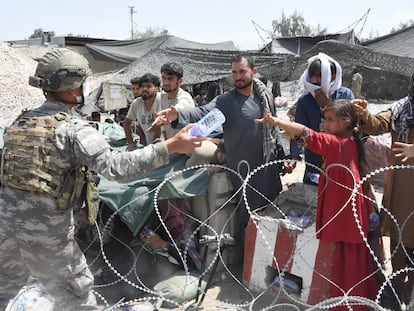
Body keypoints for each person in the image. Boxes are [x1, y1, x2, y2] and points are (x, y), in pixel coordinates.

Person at [0, 48, 205, 311]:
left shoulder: (19, 123)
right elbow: (116, 167)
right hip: (47, 233)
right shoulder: (72, 128)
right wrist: (171, 147)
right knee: (78, 299)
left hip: (6, 227)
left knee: (5, 291)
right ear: (73, 89)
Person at [256, 100, 378, 310]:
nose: (325, 123)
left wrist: (275, 121)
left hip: (347, 215)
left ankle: (351, 305)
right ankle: (353, 301)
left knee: (349, 265)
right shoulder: (347, 141)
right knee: (351, 262)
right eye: (324, 119)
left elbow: (308, 135)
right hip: (349, 214)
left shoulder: (338, 144)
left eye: (330, 120)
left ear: (346, 121)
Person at [149, 53, 294, 226]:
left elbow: (273, 129)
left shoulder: (265, 96)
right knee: (249, 223)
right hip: (245, 172)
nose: (237, 77)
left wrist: (283, 156)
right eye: (234, 73)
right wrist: (176, 114)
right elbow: (202, 113)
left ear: (254, 71)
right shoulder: (227, 102)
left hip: (269, 169)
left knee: (272, 218)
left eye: (242, 71)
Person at [352, 73, 414, 310]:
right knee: (400, 253)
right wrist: (363, 114)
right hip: (402, 196)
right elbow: (377, 124)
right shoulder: (402, 109)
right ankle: (394, 298)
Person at [290, 53, 354, 185]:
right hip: (314, 159)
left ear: (332, 76)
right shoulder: (305, 101)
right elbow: (299, 130)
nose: (315, 80)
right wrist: (294, 156)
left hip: (340, 158)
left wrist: (327, 105)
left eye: (320, 76)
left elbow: (351, 126)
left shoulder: (345, 95)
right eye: (312, 76)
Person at [124, 73, 163, 150]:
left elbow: (159, 128)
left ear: (156, 88)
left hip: (166, 147)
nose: (144, 89)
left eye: (148, 86)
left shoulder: (163, 99)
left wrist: (153, 148)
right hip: (151, 148)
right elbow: (127, 123)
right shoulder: (136, 103)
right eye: (142, 86)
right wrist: (130, 143)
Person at [160, 62, 195, 139]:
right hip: (171, 146)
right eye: (164, 78)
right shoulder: (163, 97)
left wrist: (173, 111)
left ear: (180, 81)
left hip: (185, 146)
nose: (166, 82)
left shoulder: (185, 98)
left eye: (170, 79)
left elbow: (181, 106)